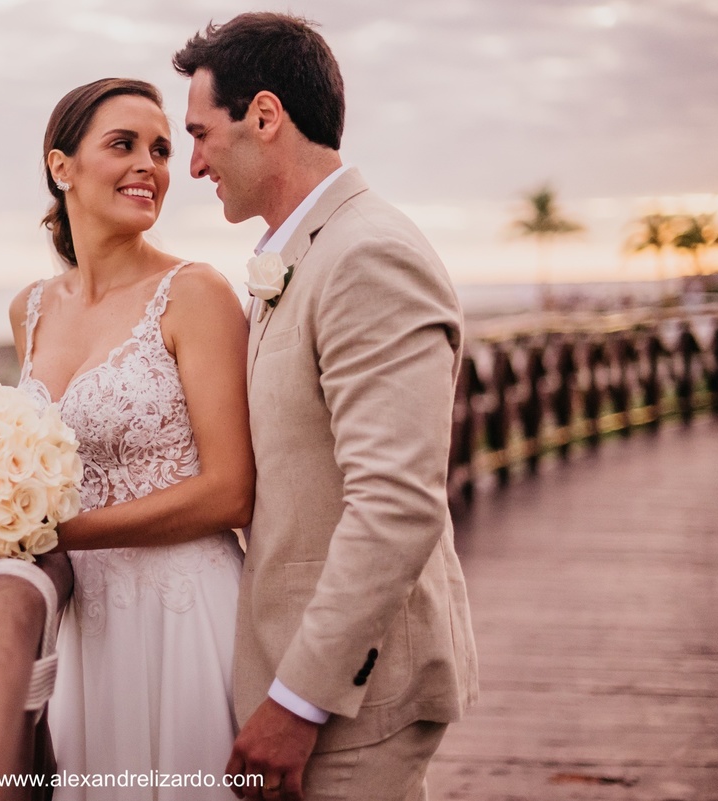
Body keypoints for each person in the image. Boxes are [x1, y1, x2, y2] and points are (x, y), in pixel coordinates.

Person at [173, 13, 478, 800]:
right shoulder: (310, 251)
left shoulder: (367, 254)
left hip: (355, 698)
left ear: (266, 116)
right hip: (310, 672)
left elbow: (397, 503)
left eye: (201, 133)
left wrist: (298, 699)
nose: (194, 163)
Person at [8, 78, 255, 799]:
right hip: (87, 627)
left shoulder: (196, 293)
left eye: (162, 150)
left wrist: (61, 532)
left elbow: (231, 489)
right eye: (123, 145)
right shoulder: (29, 310)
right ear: (63, 167)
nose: (149, 165)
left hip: (185, 614)